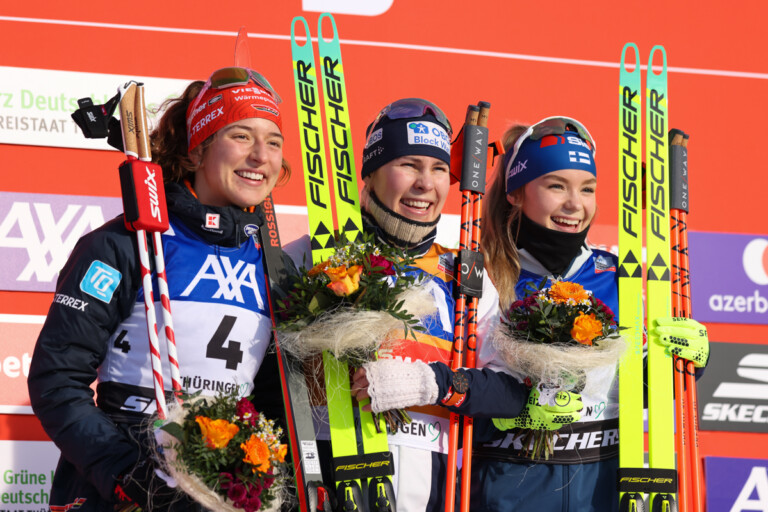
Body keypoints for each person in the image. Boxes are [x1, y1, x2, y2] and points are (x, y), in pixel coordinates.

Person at [27, 67, 292, 512]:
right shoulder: (124, 243)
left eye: (274, 142)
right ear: (196, 152)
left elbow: (270, 401)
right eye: (242, 136)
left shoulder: (273, 266)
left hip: (221, 484)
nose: (260, 157)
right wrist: (124, 474)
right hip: (127, 475)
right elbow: (57, 378)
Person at [468, 116, 711, 511]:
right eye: (555, 186)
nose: (574, 204)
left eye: (587, 189)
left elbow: (634, 388)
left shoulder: (617, 274)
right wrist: (511, 413)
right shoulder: (487, 273)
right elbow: (466, 383)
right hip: (508, 484)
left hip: (598, 486)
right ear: (516, 193)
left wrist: (683, 362)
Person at [347, 100, 580, 511]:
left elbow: (513, 392)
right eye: (408, 164)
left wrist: (434, 384)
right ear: (371, 172)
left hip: (432, 488)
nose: (425, 184)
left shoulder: (464, 275)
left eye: (438, 169)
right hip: (333, 477)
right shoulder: (319, 255)